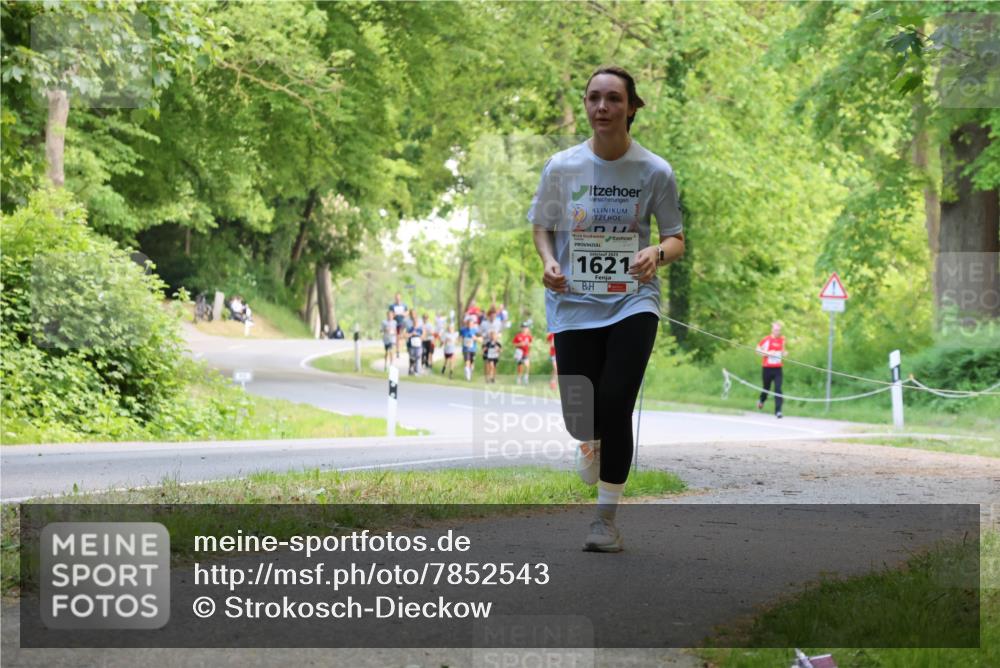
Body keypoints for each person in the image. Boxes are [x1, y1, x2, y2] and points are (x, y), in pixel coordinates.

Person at [529, 65, 684, 553]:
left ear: (632, 107)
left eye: (614, 99)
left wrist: (655, 254)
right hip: (573, 302)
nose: (602, 107)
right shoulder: (562, 167)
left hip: (632, 301)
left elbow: (675, 238)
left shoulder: (654, 170)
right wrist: (550, 262)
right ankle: (588, 438)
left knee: (617, 400)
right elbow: (542, 226)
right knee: (581, 415)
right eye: (594, 98)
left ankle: (605, 521)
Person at [756, 321, 787, 418]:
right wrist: (767, 353)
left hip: (778, 368)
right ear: (772, 330)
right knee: (766, 388)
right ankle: (761, 400)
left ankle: (778, 411)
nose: (778, 332)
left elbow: (782, 351)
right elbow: (757, 350)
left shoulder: (782, 340)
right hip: (767, 368)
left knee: (778, 389)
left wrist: (784, 353)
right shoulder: (767, 339)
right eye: (776, 330)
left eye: (779, 330)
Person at [459, 316, 480, 382]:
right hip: (466, 349)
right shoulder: (463, 330)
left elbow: (481, 339)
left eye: (471, 324)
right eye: (468, 324)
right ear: (466, 324)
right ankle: (468, 376)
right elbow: (460, 337)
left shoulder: (476, 330)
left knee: (472, 363)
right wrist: (461, 339)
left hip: (473, 349)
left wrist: (475, 338)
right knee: (467, 362)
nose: (469, 325)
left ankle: (470, 371)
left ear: (473, 324)